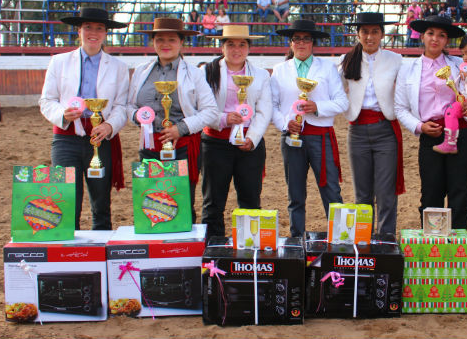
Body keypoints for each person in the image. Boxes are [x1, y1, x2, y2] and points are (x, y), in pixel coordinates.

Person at [39, 7, 129, 230]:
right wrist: (62, 113)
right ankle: (70, 256)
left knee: (101, 204)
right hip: (66, 138)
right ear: (79, 30)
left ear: (105, 33)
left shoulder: (119, 67)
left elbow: (121, 106)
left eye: (99, 28)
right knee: (67, 201)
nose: (93, 33)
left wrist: (109, 125)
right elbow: (46, 100)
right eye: (88, 27)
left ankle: (101, 257)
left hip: (100, 138)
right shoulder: (58, 62)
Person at [128, 18, 219, 222]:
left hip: (182, 146)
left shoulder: (194, 73)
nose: (165, 44)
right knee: (151, 200)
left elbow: (210, 111)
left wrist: (181, 128)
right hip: (150, 145)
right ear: (153, 42)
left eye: (171, 39)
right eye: (160, 39)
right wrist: (138, 117)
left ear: (181, 43)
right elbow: (129, 106)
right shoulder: (141, 72)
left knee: (181, 201)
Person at [394, 15, 467, 230]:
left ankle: (457, 245)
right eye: (431, 33)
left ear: (447, 40)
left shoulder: (461, 65)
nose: (435, 39)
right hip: (430, 134)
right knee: (431, 191)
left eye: (441, 35)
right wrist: (420, 126)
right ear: (422, 36)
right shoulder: (408, 69)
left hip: (461, 133)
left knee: (459, 190)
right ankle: (432, 243)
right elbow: (400, 108)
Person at [270, 20, 349, 237]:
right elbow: (273, 106)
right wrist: (286, 123)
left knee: (331, 190)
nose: (301, 42)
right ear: (291, 43)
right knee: (295, 194)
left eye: (306, 38)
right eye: (297, 38)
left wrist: (317, 107)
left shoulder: (327, 67)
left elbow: (342, 102)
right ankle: (297, 239)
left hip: (320, 135)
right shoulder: (279, 70)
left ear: (313, 42)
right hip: (291, 136)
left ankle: (340, 238)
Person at [200, 26, 271, 239]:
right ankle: (213, 248)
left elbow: (264, 110)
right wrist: (222, 118)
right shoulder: (206, 72)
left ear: (249, 48)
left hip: (248, 144)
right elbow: (200, 106)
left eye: (242, 44)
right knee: (213, 201)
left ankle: (249, 247)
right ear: (222, 46)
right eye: (230, 44)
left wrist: (253, 138)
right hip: (215, 142)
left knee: (250, 199)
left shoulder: (260, 75)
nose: (236, 49)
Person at [339, 12, 405, 235]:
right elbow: (333, 89)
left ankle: (385, 239)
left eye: (375, 31)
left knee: (386, 192)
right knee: (362, 193)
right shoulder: (346, 60)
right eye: (365, 32)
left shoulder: (395, 60)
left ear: (382, 34)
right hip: (356, 131)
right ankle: (363, 241)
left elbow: (410, 88)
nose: (370, 36)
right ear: (358, 34)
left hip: (385, 130)